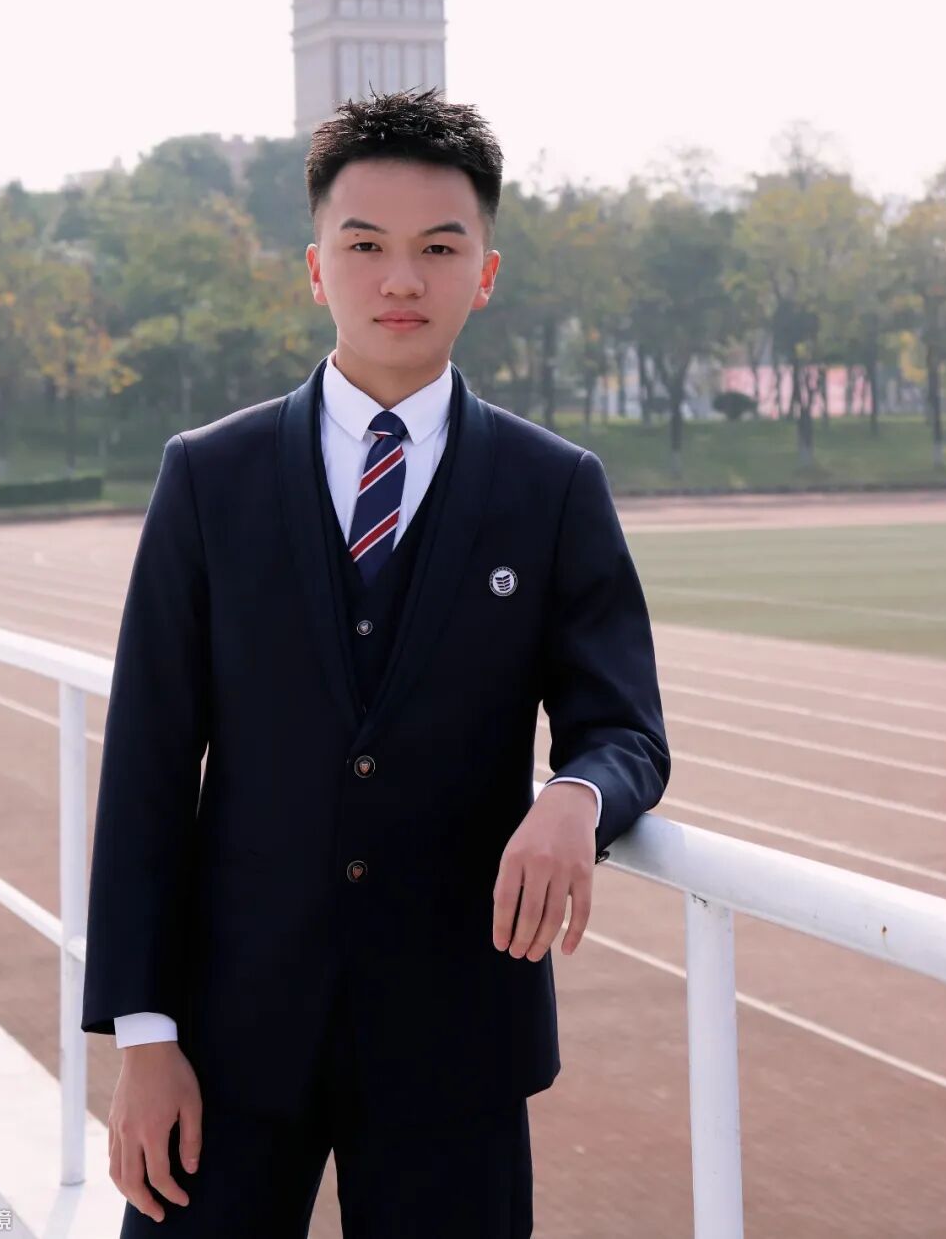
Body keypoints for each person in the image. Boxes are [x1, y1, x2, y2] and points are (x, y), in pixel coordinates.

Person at [81, 87, 670, 1237]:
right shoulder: (208, 478)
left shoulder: (554, 489)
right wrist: (145, 1038)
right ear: (317, 268)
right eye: (366, 247)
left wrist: (575, 794)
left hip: (456, 1039)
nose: (402, 279)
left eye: (439, 248)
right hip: (228, 1039)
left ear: (484, 274)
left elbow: (625, 727)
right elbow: (148, 762)